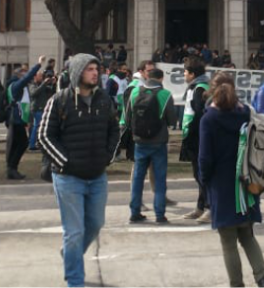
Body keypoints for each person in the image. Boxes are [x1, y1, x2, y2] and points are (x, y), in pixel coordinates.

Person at [38, 53, 120, 286]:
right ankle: (75, 280)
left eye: (97, 68)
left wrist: (107, 157)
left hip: (97, 176)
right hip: (67, 178)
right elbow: (44, 136)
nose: (95, 72)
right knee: (73, 232)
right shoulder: (60, 100)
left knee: (94, 225)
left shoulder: (105, 100)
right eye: (89, 69)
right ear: (77, 73)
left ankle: (70, 255)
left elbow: (115, 130)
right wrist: (65, 161)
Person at [198, 72, 264, 288]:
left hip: (222, 185)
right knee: (247, 235)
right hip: (246, 182)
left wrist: (204, 181)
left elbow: (205, 157)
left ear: (213, 90)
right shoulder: (246, 114)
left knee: (228, 241)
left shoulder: (209, 119)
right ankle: (262, 278)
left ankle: (237, 284)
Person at [124, 68, 176, 224]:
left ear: (147, 77)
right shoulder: (165, 95)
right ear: (161, 79)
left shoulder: (134, 93)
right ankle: (160, 214)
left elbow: (127, 119)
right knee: (159, 178)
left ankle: (135, 212)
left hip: (139, 142)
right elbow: (172, 120)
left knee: (138, 178)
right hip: (159, 142)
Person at [180, 58, 212, 223]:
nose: (184, 74)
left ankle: (209, 208)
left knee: (202, 174)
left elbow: (200, 115)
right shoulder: (196, 87)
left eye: (185, 71)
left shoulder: (199, 89)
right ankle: (200, 207)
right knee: (198, 173)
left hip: (198, 137)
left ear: (192, 74)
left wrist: (191, 131)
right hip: (194, 135)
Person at [5, 56, 46, 179]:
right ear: (18, 75)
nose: (26, 75)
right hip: (16, 119)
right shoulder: (16, 85)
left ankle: (12, 168)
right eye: (23, 73)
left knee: (17, 144)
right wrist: (39, 64)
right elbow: (27, 77)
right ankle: (12, 168)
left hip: (18, 119)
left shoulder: (17, 86)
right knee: (22, 143)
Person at [29, 69, 56, 151]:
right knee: (37, 126)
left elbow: (51, 92)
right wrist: (44, 83)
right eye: (40, 76)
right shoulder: (32, 85)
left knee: (39, 127)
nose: (42, 77)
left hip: (43, 108)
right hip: (37, 108)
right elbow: (34, 93)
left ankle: (36, 143)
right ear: (35, 77)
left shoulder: (43, 85)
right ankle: (32, 144)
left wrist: (53, 84)